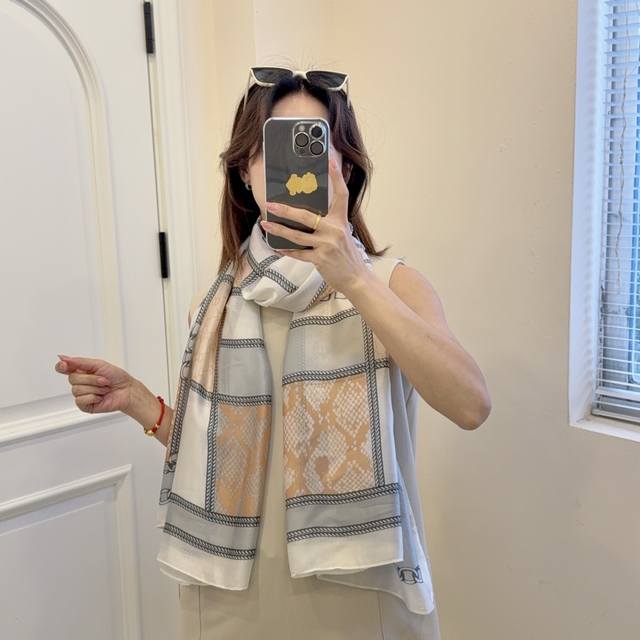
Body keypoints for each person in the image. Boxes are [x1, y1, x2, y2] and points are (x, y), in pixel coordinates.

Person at [55, 67, 491, 640]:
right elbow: (223, 451)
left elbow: (470, 405)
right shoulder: (216, 303)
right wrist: (137, 400)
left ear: (345, 168)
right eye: (275, 147)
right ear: (245, 170)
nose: (295, 166)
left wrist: (353, 279)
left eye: (315, 143)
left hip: (363, 594)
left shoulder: (392, 284)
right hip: (231, 597)